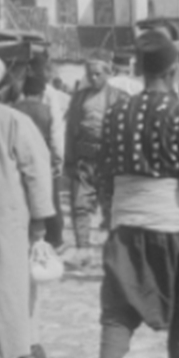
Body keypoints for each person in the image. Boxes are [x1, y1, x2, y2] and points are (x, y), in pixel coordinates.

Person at [90, 31, 179, 358]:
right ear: (174, 69)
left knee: (118, 308)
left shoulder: (116, 113)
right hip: (171, 225)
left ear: (140, 70)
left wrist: (111, 215)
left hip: (126, 223)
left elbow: (104, 173)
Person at [0, 49, 55, 358]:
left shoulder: (14, 122)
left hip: (7, 223)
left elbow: (37, 172)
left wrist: (40, 219)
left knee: (13, 285)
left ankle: (25, 348)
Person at [64, 57, 119, 261]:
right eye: (90, 74)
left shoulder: (117, 97)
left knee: (110, 206)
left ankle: (115, 251)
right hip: (83, 159)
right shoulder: (79, 98)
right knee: (80, 204)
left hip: (108, 160)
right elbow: (70, 129)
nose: (94, 78)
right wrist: (69, 159)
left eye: (98, 74)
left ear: (107, 74)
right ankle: (83, 250)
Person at [11, 71, 62, 250]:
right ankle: (53, 239)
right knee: (48, 199)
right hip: (44, 160)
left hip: (17, 160)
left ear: (23, 92)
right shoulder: (46, 111)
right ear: (42, 93)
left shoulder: (13, 110)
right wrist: (58, 160)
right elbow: (56, 136)